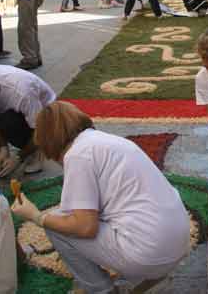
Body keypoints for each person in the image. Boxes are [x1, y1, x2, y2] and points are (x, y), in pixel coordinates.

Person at [10, 101, 190, 294]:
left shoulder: (78, 155)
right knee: (71, 216)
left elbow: (85, 227)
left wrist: (36, 217)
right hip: (177, 242)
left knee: (55, 224)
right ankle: (153, 279)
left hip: (149, 252)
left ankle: (101, 290)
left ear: (49, 142)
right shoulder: (102, 140)